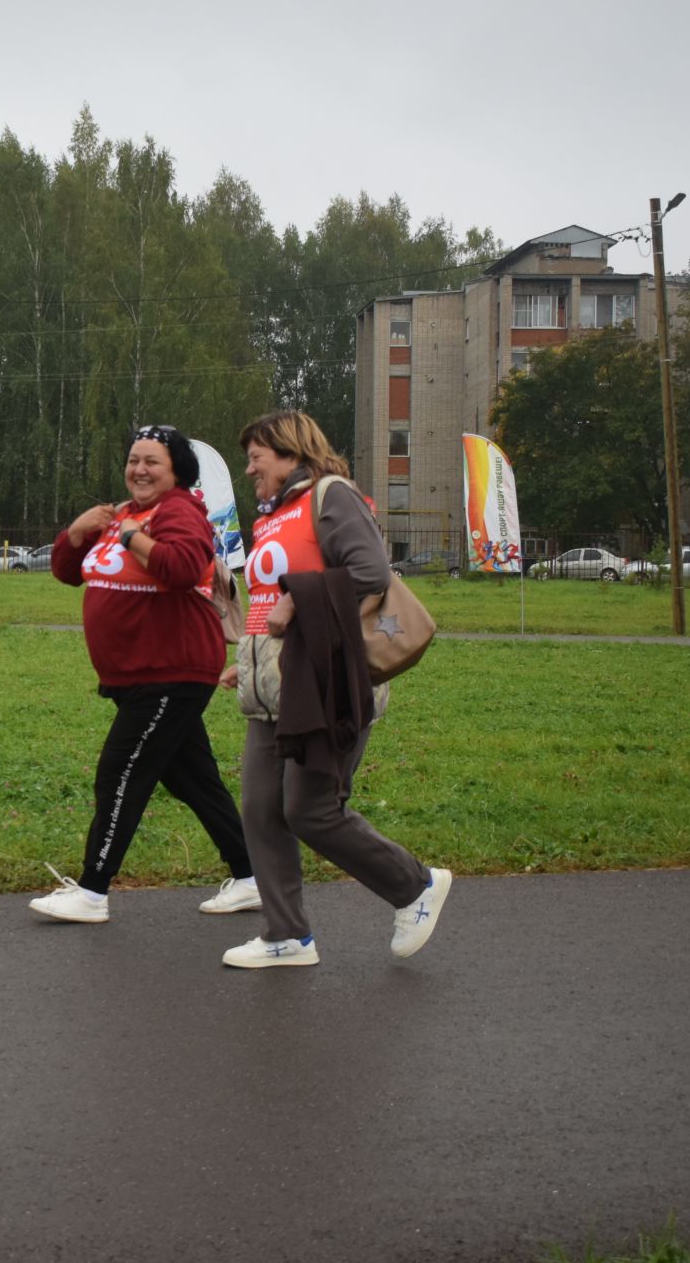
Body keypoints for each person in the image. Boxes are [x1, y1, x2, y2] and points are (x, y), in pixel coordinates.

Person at [217, 409, 449, 969]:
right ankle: (286, 936)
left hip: (326, 686)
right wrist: (247, 662)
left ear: (291, 452)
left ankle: (414, 885)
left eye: (257, 458)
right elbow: (268, 603)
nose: (250, 470)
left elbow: (370, 571)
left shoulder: (331, 494)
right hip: (273, 689)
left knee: (311, 810)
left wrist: (298, 600)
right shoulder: (274, 514)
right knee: (260, 810)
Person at [28, 425, 257, 923]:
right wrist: (75, 532)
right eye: (134, 459)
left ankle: (91, 892)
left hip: (170, 672)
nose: (139, 470)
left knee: (120, 773)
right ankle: (250, 876)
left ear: (176, 470)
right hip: (138, 677)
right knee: (194, 781)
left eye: (152, 461)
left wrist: (133, 538)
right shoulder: (123, 513)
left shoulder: (179, 512)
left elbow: (181, 567)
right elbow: (69, 571)